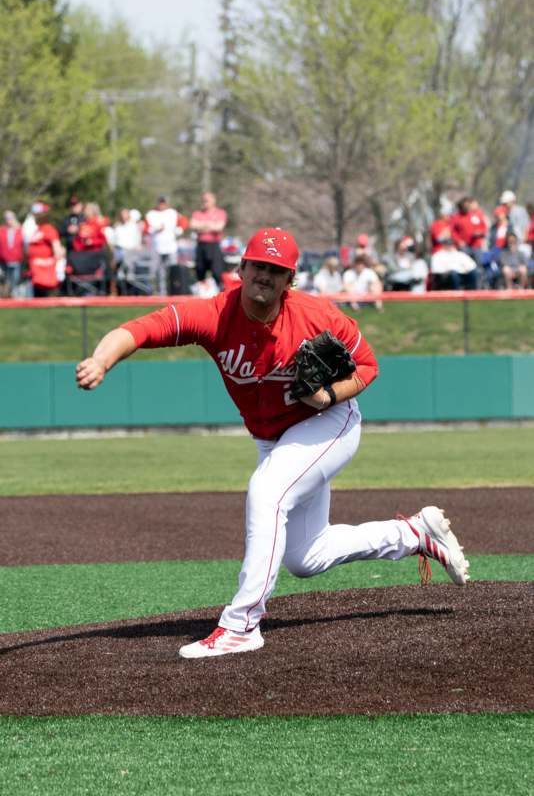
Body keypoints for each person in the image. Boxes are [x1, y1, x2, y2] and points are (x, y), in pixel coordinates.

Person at [76, 226, 470, 659]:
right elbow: (140, 329)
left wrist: (329, 395)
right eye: (258, 265)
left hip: (328, 422)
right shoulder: (214, 315)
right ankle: (413, 533)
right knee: (307, 557)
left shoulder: (317, 316)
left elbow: (367, 365)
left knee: (266, 492)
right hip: (275, 438)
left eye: (276, 269)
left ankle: (242, 624)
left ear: (290, 279)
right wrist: (101, 359)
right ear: (241, 269)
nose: (265, 275)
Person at [145, 197, 187, 295]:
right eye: (160, 203)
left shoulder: (172, 213)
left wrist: (178, 230)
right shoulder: (151, 214)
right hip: (157, 247)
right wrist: (155, 229)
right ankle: (161, 292)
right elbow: (146, 228)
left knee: (172, 270)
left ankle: (173, 291)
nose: (162, 205)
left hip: (170, 246)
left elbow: (184, 222)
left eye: (163, 203)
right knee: (159, 272)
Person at [26, 202, 66, 297]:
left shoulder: (49, 229)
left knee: (44, 297)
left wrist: (46, 262)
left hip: (45, 271)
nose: (34, 217)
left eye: (36, 215)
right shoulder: (37, 230)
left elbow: (58, 251)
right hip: (36, 271)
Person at [190, 191, 227, 288]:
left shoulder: (220, 213)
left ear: (213, 200)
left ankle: (221, 292)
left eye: (208, 199)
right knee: (200, 270)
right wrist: (210, 225)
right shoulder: (197, 213)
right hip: (201, 245)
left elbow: (219, 227)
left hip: (214, 245)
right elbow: (193, 225)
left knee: (217, 271)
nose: (205, 201)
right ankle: (201, 294)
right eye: (204, 199)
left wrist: (202, 226)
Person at [0, 210, 24, 296]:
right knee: (5, 279)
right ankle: (5, 295)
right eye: (7, 218)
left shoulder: (20, 230)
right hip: (3, 261)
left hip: (16, 260)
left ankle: (14, 296)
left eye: (10, 218)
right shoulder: (1, 230)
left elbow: (25, 245)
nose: (9, 220)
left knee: (15, 280)